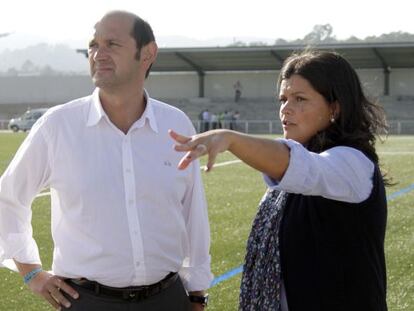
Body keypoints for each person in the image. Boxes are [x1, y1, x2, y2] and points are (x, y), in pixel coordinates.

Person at [0, 11, 211, 311]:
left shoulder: (175, 126)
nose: (98, 54)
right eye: (93, 44)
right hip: (86, 301)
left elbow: (193, 215)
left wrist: (197, 292)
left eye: (112, 44)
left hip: (168, 300)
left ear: (147, 53)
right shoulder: (57, 127)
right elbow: (8, 199)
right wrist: (31, 272)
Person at [170, 50, 388, 311]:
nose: (286, 108)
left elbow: (303, 167)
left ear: (335, 107)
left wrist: (230, 139)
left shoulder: (352, 163)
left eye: (300, 99)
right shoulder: (299, 165)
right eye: (283, 99)